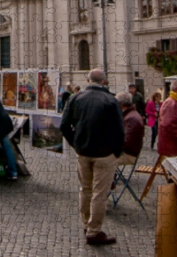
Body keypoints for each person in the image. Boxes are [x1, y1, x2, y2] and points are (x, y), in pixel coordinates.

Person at [59, 69, 124, 246]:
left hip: (83, 153)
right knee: (99, 193)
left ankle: (86, 225)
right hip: (104, 154)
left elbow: (64, 126)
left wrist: (76, 145)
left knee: (85, 190)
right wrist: (116, 152)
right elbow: (120, 131)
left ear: (88, 80)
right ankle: (94, 231)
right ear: (104, 82)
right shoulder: (111, 100)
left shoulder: (75, 98)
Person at [115, 92, 145, 165]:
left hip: (127, 155)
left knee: (100, 161)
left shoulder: (132, 118)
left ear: (121, 104)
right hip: (125, 152)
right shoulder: (130, 115)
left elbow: (126, 143)